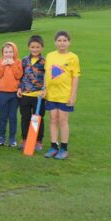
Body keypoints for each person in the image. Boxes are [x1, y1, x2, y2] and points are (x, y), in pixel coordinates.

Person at [44, 31, 81, 160]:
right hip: (51, 95)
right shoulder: (50, 56)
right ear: (55, 42)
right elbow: (47, 74)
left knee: (63, 120)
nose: (62, 43)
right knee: (53, 119)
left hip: (65, 95)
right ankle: (54, 146)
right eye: (59, 40)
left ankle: (64, 148)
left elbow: (75, 77)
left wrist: (73, 95)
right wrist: (44, 89)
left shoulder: (73, 57)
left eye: (64, 40)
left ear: (69, 43)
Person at [17, 35, 46, 151]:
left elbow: (48, 77)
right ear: (29, 47)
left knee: (38, 118)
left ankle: (38, 141)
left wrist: (45, 90)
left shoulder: (44, 62)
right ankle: (25, 139)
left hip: (38, 96)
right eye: (32, 47)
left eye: (37, 47)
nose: (35, 49)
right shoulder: (24, 60)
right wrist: (19, 88)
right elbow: (20, 76)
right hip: (25, 95)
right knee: (25, 117)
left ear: (42, 48)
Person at [0, 41, 22, 147]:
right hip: (2, 93)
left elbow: (18, 75)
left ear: (14, 52)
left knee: (13, 117)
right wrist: (2, 65)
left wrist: (13, 64)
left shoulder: (17, 62)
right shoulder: (0, 61)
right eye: (6, 52)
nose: (8, 54)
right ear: (2, 53)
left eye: (11, 52)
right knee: (2, 116)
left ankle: (12, 138)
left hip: (14, 94)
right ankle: (1, 137)